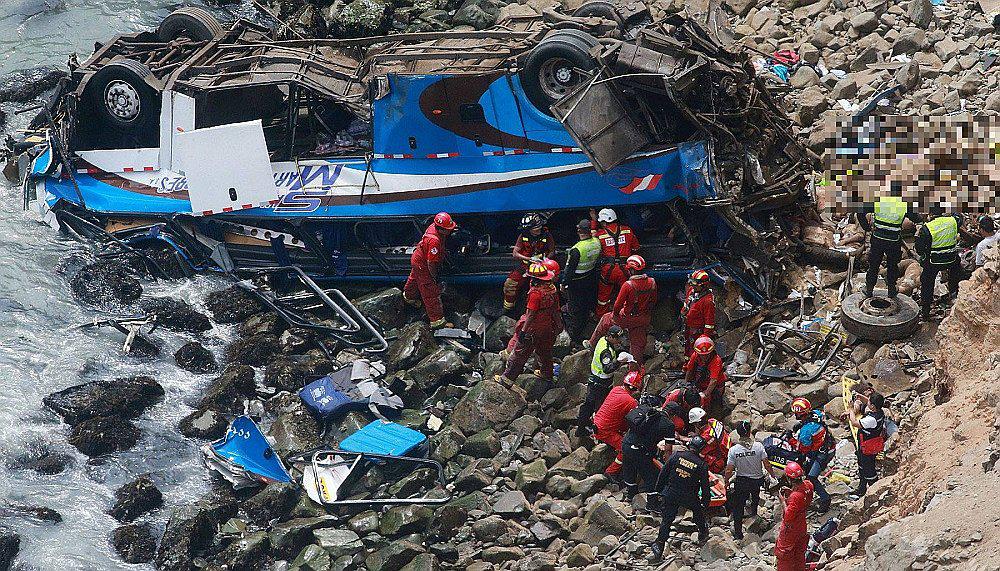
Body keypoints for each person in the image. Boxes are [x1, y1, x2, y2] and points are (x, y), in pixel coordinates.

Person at [648, 436, 711, 562]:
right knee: (698, 512)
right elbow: (705, 486)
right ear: (701, 449)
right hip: (689, 496)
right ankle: (703, 533)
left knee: (667, 520)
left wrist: (659, 489)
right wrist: (705, 502)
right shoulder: (701, 465)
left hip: (671, 493)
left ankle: (659, 545)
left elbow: (664, 472)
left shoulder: (676, 455)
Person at [497, 262, 562, 385]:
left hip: (533, 329)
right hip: (547, 327)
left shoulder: (535, 293)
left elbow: (530, 315)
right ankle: (547, 374)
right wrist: (559, 325)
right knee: (545, 353)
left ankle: (507, 379)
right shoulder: (552, 289)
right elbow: (555, 310)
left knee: (519, 354)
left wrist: (523, 331)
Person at [588, 255, 657, 363]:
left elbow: (617, 305)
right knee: (637, 342)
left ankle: (591, 345)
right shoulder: (652, 282)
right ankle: (635, 368)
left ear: (632, 270)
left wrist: (615, 315)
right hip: (643, 318)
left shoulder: (628, 285)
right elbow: (653, 301)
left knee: (606, 319)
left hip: (627, 317)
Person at [857, 195, 923, 298]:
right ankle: (892, 289)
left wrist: (867, 227)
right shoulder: (904, 204)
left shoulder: (878, 201)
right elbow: (916, 218)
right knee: (892, 266)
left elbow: (860, 212)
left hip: (877, 239)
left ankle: (869, 289)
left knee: (873, 265)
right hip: (893, 241)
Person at [576, 326, 632, 438]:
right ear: (610, 336)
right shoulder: (605, 351)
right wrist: (619, 361)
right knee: (596, 405)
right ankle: (587, 429)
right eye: (617, 338)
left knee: (594, 404)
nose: (619, 340)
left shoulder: (603, 340)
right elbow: (607, 368)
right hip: (599, 381)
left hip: (601, 379)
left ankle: (591, 426)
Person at [403, 212, 457, 329]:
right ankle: (437, 321)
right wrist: (434, 276)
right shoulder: (434, 241)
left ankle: (409, 297)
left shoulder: (432, 227)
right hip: (424, 265)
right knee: (430, 292)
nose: (450, 231)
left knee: (414, 279)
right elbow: (431, 262)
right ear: (441, 229)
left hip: (418, 259)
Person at [725, 421, 775, 540]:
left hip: (742, 481)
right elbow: (767, 464)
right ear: (749, 432)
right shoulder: (758, 446)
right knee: (755, 496)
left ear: (738, 433)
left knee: (739, 506)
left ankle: (738, 533)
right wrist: (772, 476)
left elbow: (729, 470)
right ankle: (753, 514)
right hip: (757, 480)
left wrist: (726, 481)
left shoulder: (734, 450)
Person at [621, 395, 679, 497]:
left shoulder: (648, 413)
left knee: (629, 470)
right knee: (650, 476)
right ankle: (652, 504)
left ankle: (631, 495)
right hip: (640, 450)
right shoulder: (668, 425)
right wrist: (669, 469)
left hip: (626, 443)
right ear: (673, 415)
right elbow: (668, 451)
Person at [593, 369, 643, 477]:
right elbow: (635, 419)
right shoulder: (631, 402)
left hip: (598, 422)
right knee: (626, 449)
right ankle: (610, 472)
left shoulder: (616, 390)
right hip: (605, 430)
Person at [915, 210, 963, 320]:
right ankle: (954, 293)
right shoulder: (953, 221)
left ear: (931, 214)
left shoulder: (926, 228)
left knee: (927, 282)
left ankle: (925, 311)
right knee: (957, 268)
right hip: (951, 259)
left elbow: (920, 249)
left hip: (933, 262)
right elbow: (959, 216)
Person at [788, 397, 834, 513]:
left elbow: (803, 448)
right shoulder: (816, 414)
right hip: (828, 445)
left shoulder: (805, 432)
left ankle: (825, 499)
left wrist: (790, 439)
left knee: (811, 477)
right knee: (808, 470)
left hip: (822, 454)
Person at [592, 208, 640, 318]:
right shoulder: (627, 230)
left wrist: (594, 222)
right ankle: (627, 316)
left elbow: (594, 250)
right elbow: (636, 248)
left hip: (608, 271)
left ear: (603, 221)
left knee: (603, 299)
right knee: (627, 295)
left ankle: (601, 319)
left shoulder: (599, 235)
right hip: (625, 269)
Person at [503, 213, 555, 313]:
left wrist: (544, 261)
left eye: (539, 228)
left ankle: (542, 310)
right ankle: (508, 310)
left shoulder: (546, 235)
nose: (538, 231)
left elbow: (552, 251)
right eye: (535, 229)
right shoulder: (523, 236)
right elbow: (515, 253)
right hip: (526, 266)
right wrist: (529, 258)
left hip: (542, 267)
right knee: (510, 284)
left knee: (544, 288)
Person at [561, 219, 601, 342]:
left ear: (578, 231)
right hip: (589, 278)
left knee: (575, 308)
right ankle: (585, 325)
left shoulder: (576, 249)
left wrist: (564, 284)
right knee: (585, 305)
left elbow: (569, 270)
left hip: (575, 282)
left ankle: (575, 335)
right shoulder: (596, 242)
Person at [775, 461, 814, 571]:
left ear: (788, 478)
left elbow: (788, 517)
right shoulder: (808, 485)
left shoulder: (795, 497)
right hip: (802, 525)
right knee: (799, 554)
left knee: (784, 557)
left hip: (791, 529)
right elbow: (803, 498)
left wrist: (783, 501)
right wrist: (791, 492)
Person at [848, 391, 887, 498]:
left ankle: (876, 493)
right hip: (866, 445)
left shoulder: (871, 420)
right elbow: (869, 403)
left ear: (873, 406)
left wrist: (851, 410)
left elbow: (855, 423)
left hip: (867, 447)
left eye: (869, 401)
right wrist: (860, 397)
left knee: (869, 471)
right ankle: (861, 489)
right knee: (862, 466)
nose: (867, 402)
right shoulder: (879, 412)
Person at [684, 335, 727, 413]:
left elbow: (713, 381)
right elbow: (689, 370)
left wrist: (705, 394)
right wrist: (686, 383)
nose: (704, 357)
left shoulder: (716, 360)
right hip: (701, 381)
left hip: (716, 385)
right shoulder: (695, 355)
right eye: (702, 355)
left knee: (715, 403)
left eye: (707, 355)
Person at [680, 270, 715, 356]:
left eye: (695, 284)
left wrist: (704, 339)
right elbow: (687, 304)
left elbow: (709, 323)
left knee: (695, 353)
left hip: (697, 333)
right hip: (688, 328)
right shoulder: (692, 290)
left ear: (703, 285)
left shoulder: (708, 301)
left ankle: (694, 368)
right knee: (687, 350)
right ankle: (687, 366)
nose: (692, 285)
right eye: (691, 283)